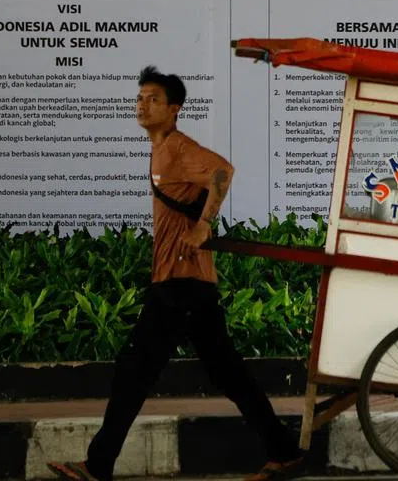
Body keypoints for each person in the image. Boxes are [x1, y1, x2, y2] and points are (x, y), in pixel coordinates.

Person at [47, 67, 304, 481]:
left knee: (135, 373)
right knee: (226, 373)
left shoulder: (179, 148)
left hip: (179, 284)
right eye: (140, 98)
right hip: (186, 284)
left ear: (174, 109)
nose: (142, 105)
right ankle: (283, 451)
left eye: (153, 99)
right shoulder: (159, 149)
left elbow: (223, 170)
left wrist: (203, 226)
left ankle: (97, 467)